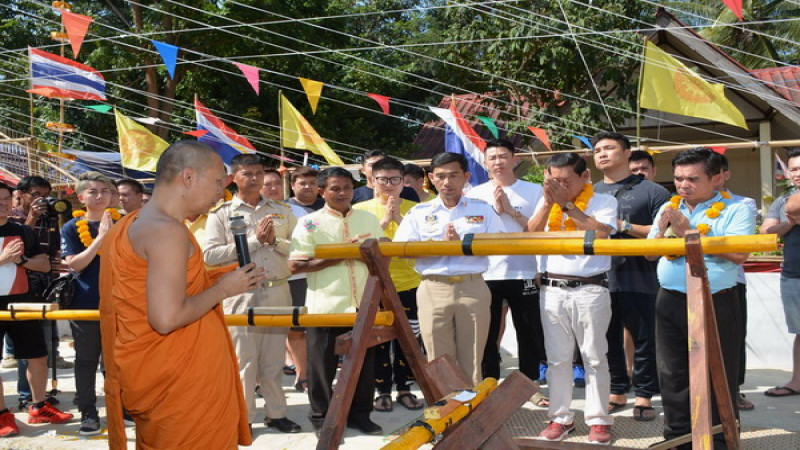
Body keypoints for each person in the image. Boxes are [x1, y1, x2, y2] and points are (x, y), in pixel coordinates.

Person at [99, 140, 260, 449]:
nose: (220, 192)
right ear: (188, 177)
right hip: (183, 384)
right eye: (216, 181)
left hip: (170, 375)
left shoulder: (136, 223)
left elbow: (164, 288)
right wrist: (225, 289)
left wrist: (221, 279)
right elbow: (167, 318)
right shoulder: (165, 231)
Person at [648, 147, 753, 449]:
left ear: (717, 178)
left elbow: (739, 254)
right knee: (672, 373)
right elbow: (646, 252)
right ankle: (678, 439)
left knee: (718, 373)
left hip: (715, 299)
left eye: (692, 179)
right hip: (669, 298)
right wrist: (663, 232)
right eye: (679, 178)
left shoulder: (737, 207)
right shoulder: (669, 207)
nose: (683, 185)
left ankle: (720, 440)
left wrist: (688, 232)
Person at [204, 154, 301, 433]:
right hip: (241, 293)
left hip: (277, 289)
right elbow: (210, 255)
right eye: (248, 174)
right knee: (243, 360)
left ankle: (277, 413)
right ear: (233, 178)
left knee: (273, 360)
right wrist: (254, 240)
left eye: (259, 173)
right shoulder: (221, 214)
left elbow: (298, 248)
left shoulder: (282, 211)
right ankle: (243, 418)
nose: (256, 178)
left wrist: (275, 242)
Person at [527, 152, 617, 444]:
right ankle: (560, 418)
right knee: (557, 360)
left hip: (590, 288)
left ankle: (599, 420)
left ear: (585, 177)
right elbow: (530, 233)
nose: (559, 186)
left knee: (593, 357)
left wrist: (566, 205)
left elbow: (601, 235)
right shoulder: (547, 201)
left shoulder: (604, 201)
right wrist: (549, 203)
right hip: (552, 289)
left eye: (566, 181)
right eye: (553, 181)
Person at [289, 167, 384, 435]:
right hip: (325, 307)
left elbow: (383, 254)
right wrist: (343, 254)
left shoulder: (368, 219)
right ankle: (321, 418)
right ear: (322, 192)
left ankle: (360, 415)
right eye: (336, 188)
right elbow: (296, 265)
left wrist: (369, 253)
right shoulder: (309, 223)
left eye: (347, 188)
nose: (343, 193)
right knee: (321, 367)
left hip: (362, 304)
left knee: (364, 364)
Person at [395, 152, 503, 385]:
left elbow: (500, 244)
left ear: (466, 176)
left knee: (473, 357)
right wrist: (441, 246)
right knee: (438, 357)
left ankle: (471, 411)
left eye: (454, 175)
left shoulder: (482, 209)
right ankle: (446, 410)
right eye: (441, 176)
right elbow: (402, 250)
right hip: (434, 287)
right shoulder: (418, 213)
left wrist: (462, 245)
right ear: (431, 178)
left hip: (472, 285)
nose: (447, 182)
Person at [592, 132, 670, 422]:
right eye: (598, 149)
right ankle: (616, 390)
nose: (602, 153)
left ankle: (645, 395)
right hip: (599, 276)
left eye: (609, 148)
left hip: (642, 277)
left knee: (645, 339)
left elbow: (660, 233)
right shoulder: (590, 192)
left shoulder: (653, 191)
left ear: (627, 153)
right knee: (606, 338)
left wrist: (622, 224)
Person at [464, 139, 546, 388]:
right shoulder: (474, 194)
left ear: (514, 159)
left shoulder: (535, 191)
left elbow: (540, 232)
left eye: (503, 156)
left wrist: (511, 211)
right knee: (486, 333)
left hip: (525, 270)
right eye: (492, 157)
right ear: (485, 162)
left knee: (528, 332)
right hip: (487, 273)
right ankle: (488, 384)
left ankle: (529, 385)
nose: (498, 162)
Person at [0, 182, 73, 438]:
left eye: (5, 198)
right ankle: (1, 416)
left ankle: (39, 405)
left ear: (13, 199)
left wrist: (21, 261)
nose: (2, 204)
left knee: (37, 355)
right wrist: (3, 259)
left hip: (23, 302)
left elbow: (44, 264)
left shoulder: (23, 231)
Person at [353, 157, 424, 413]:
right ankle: (382, 391)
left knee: (409, 339)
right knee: (379, 340)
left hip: (410, 283)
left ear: (403, 181)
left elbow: (422, 245)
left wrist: (399, 218)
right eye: (383, 179)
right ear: (372, 180)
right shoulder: (360, 209)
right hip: (375, 284)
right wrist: (384, 220)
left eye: (395, 179)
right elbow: (359, 247)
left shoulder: (416, 208)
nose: (389, 185)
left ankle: (404, 388)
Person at [61, 171, 119, 435]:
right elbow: (75, 264)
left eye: (105, 191)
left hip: (121, 304)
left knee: (116, 362)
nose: (99, 196)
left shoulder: (125, 222)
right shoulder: (72, 227)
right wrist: (100, 238)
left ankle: (121, 409)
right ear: (81, 196)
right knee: (86, 361)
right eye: (93, 192)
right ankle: (89, 413)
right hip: (85, 303)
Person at [709, 152, 758, 411]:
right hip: (687, 282)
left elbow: (737, 248)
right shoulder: (681, 205)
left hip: (730, 282)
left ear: (725, 175)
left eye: (715, 173)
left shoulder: (742, 204)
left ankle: (733, 390)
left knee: (733, 339)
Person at [761, 148, 800, 399]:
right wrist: (791, 222)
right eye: (794, 169)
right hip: (794, 274)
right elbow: (766, 231)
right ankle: (797, 381)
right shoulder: (782, 201)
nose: (797, 174)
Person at [283, 166, 324, 393]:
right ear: (292, 185)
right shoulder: (285, 209)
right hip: (297, 276)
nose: (307, 187)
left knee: (321, 328)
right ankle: (302, 374)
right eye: (302, 183)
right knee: (297, 327)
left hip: (326, 274)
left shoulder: (330, 206)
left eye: (311, 182)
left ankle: (320, 372)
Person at [352, 150, 419, 204]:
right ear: (363, 170)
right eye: (372, 165)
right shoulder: (354, 195)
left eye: (381, 164)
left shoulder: (407, 192)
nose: (377, 167)